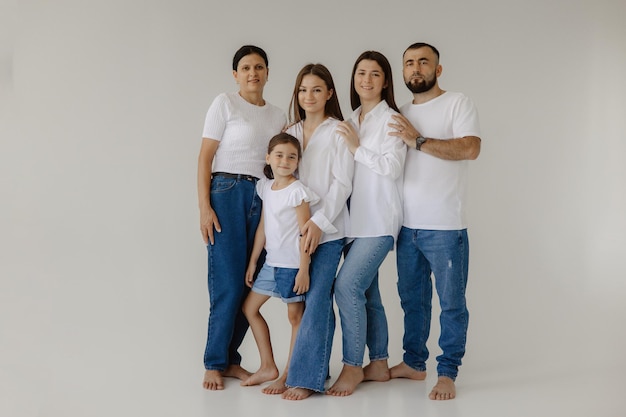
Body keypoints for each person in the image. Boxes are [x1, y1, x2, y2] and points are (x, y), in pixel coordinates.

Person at [387, 42, 481, 401]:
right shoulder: (400, 111)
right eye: (409, 63)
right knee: (412, 299)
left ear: (438, 69)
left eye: (424, 62)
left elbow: (470, 148)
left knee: (451, 302)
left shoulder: (457, 102)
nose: (416, 68)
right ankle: (414, 363)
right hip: (406, 226)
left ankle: (447, 372)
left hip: (446, 225)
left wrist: (419, 140)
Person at [197, 45, 286, 391]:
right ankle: (214, 363)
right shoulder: (225, 103)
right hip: (227, 192)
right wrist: (204, 207)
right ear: (236, 74)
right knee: (227, 283)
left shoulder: (278, 115)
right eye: (246, 68)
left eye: (259, 67)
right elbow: (204, 158)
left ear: (267, 73)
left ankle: (232, 359)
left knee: (251, 283)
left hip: (264, 198)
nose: (253, 73)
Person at [327, 51, 407, 397]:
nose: (367, 80)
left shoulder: (392, 120)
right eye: (361, 73)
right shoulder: (352, 118)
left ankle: (351, 366)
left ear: (385, 81)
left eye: (375, 74)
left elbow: (392, 168)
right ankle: (379, 363)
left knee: (346, 287)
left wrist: (357, 148)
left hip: (379, 220)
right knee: (368, 294)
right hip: (353, 223)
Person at [280, 63, 355, 400]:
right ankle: (312, 370)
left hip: (330, 229)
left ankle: (306, 379)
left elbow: (343, 184)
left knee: (317, 298)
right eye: (302, 90)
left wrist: (318, 222)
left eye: (315, 90)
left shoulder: (339, 130)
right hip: (295, 230)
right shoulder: (290, 130)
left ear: (329, 93)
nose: (308, 96)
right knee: (302, 302)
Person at [240, 133, 319, 394]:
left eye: (291, 156)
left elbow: (304, 232)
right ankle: (268, 366)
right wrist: (253, 262)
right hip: (271, 264)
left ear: (298, 161)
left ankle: (289, 374)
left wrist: (304, 269)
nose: (285, 161)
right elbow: (263, 225)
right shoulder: (265, 187)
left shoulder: (297, 192)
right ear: (268, 158)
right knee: (250, 309)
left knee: (295, 318)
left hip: (292, 265)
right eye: (279, 155)